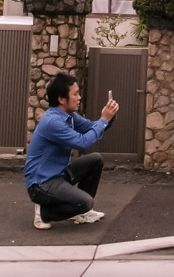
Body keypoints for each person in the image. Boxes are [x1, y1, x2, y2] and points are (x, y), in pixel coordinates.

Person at [25, 72, 119, 230]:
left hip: (58, 174)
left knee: (96, 159)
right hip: (41, 184)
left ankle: (81, 211)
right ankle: (44, 213)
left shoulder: (69, 115)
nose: (79, 97)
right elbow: (82, 142)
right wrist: (104, 120)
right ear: (62, 99)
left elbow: (91, 127)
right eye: (75, 94)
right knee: (86, 202)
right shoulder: (53, 122)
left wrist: (109, 118)